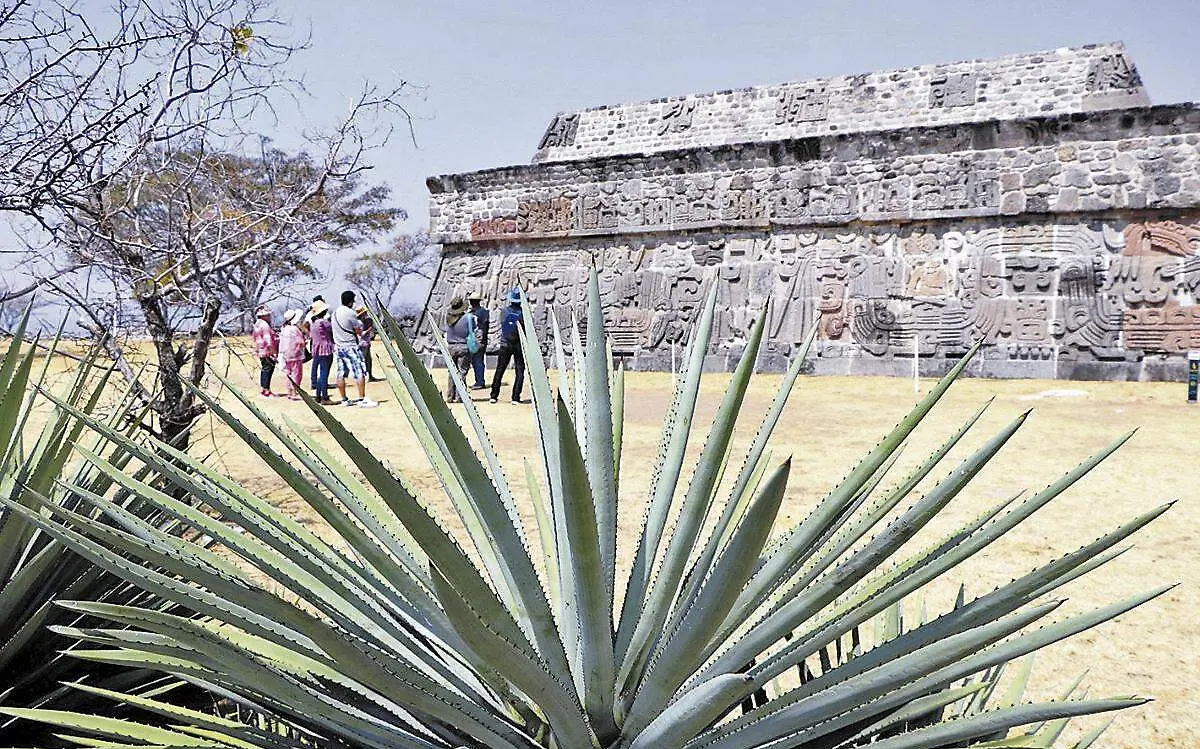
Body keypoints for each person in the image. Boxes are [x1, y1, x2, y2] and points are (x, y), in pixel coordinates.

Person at [332, 290, 377, 408]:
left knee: (340, 373)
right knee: (359, 371)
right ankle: (362, 399)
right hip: (350, 346)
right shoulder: (350, 313)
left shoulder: (334, 313)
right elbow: (358, 330)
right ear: (351, 301)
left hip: (339, 346)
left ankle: (344, 399)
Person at [489, 289, 526, 404]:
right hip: (518, 344)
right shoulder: (523, 313)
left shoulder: (504, 311)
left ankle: (494, 395)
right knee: (519, 370)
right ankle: (515, 397)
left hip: (505, 343)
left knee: (500, 369)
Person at [444, 296, 476, 403]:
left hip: (451, 346)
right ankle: (459, 396)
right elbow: (474, 329)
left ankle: (449, 396)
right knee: (462, 372)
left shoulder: (448, 318)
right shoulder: (469, 318)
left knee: (451, 372)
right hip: (463, 346)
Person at [308, 300, 335, 404]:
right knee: (324, 373)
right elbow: (332, 329)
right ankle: (324, 397)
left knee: (321, 373)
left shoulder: (313, 323)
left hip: (317, 350)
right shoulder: (324, 322)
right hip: (326, 349)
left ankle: (319, 396)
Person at [278, 309, 306, 401]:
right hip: (295, 354)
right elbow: (301, 342)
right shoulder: (294, 329)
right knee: (296, 373)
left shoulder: (283, 328)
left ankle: (289, 392)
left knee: (288, 373)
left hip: (285, 354)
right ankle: (294, 392)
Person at [251, 305, 278, 397]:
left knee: (265, 369)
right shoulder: (265, 325)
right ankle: (266, 390)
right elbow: (268, 340)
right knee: (268, 369)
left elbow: (254, 338)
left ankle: (264, 389)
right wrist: (273, 352)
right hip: (267, 351)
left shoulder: (257, 324)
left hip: (260, 350)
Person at [302, 294, 324, 391]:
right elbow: (304, 325)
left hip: (317, 340)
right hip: (317, 340)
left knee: (317, 362)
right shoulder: (311, 314)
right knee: (318, 361)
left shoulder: (310, 313)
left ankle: (317, 381)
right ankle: (316, 382)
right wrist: (311, 334)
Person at [468, 294, 490, 389]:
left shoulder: (482, 312)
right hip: (473, 339)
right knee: (475, 361)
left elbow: (485, 326)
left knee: (478, 361)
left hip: (479, 339)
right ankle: (479, 380)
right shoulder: (471, 312)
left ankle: (480, 381)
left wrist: (482, 340)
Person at [356, 304, 382, 382]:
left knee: (368, 360)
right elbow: (360, 334)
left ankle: (369, 376)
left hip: (366, 343)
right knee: (363, 361)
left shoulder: (363, 322)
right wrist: (368, 330)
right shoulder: (359, 323)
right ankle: (362, 377)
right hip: (362, 344)